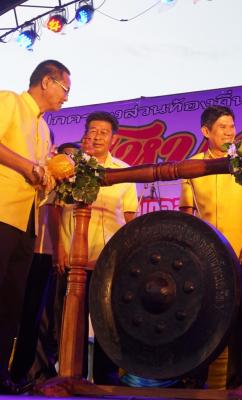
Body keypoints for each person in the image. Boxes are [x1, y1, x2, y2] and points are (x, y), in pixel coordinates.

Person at [0, 59, 70, 394]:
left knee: (11, 303)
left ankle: (1, 373)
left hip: (28, 222)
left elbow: (41, 173)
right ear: (46, 82)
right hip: (2, 212)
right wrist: (30, 167)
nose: (66, 97)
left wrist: (53, 173)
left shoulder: (43, 128)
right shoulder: (9, 101)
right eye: (64, 89)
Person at [54, 111, 138, 384]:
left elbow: (130, 218)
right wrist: (59, 248)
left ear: (114, 138)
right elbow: (56, 210)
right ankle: (69, 375)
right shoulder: (70, 167)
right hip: (73, 256)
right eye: (93, 131)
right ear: (85, 134)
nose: (98, 136)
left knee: (107, 319)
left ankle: (106, 378)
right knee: (71, 319)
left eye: (104, 132)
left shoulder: (124, 171)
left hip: (109, 259)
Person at [179, 105, 242, 389]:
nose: (229, 132)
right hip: (205, 257)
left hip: (241, 253)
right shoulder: (191, 166)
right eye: (223, 127)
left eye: (232, 126)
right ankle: (193, 381)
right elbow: (187, 213)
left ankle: (238, 384)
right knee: (200, 318)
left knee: (240, 322)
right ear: (206, 131)